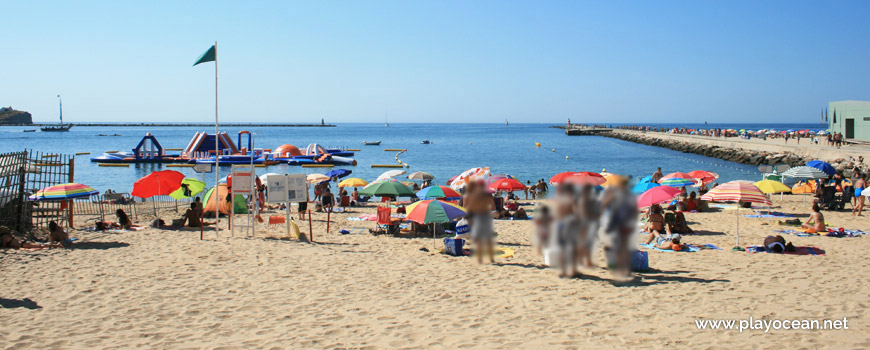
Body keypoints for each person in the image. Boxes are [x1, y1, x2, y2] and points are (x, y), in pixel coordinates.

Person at [464, 181, 495, 264]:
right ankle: (491, 257)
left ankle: (480, 258)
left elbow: (467, 208)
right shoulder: (487, 195)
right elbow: (493, 207)